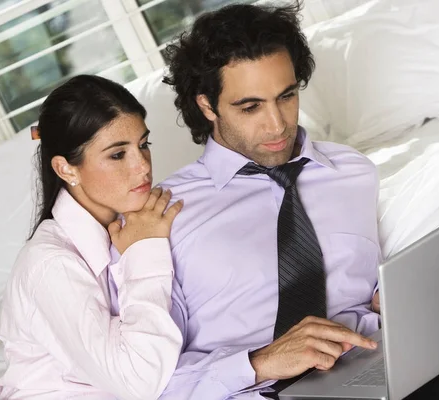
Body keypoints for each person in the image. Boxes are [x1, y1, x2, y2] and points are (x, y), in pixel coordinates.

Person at [158, 2, 380, 399]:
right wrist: (259, 362)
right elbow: (144, 381)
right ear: (207, 105)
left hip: (373, 373)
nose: (277, 124)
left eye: (287, 96)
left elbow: (373, 289)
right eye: (250, 106)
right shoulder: (163, 217)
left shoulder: (354, 173)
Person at [0, 75, 184, 400]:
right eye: (116, 155)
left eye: (143, 145)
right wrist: (144, 252)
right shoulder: (52, 265)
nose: (143, 167)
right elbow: (139, 381)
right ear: (67, 169)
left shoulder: (136, 221)